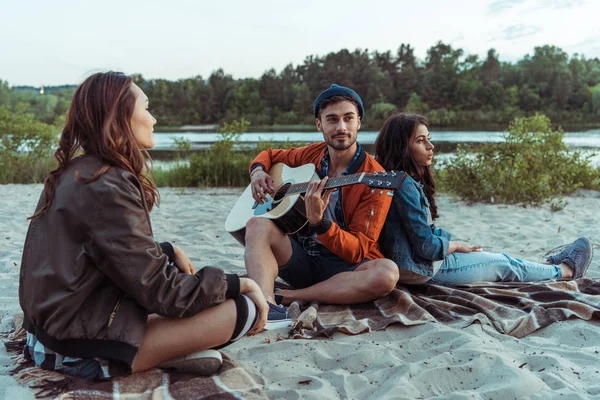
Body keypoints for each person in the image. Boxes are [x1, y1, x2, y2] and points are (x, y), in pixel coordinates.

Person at [18, 71, 268, 381]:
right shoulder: (108, 184)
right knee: (245, 308)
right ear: (120, 116)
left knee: (176, 266)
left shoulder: (76, 172)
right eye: (146, 107)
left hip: (48, 332)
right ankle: (163, 357)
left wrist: (166, 250)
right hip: (76, 352)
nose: (153, 119)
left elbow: (95, 253)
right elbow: (162, 293)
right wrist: (241, 283)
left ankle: (177, 353)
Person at [244, 84, 399, 329]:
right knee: (256, 224)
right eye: (332, 119)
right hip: (301, 258)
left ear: (359, 122)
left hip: (345, 271)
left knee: (387, 273)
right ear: (319, 125)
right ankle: (267, 306)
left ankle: (292, 296)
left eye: (348, 118)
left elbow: (358, 251)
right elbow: (271, 154)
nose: (341, 127)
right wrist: (257, 172)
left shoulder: (375, 179)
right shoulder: (312, 155)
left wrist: (321, 223)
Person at [374, 113, 593, 285]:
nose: (431, 147)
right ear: (403, 147)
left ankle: (544, 266)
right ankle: (565, 271)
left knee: (501, 259)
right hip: (421, 270)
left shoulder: (388, 179)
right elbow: (428, 248)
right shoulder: (405, 186)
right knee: (504, 263)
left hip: (407, 266)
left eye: (429, 139)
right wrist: (457, 245)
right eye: (421, 141)